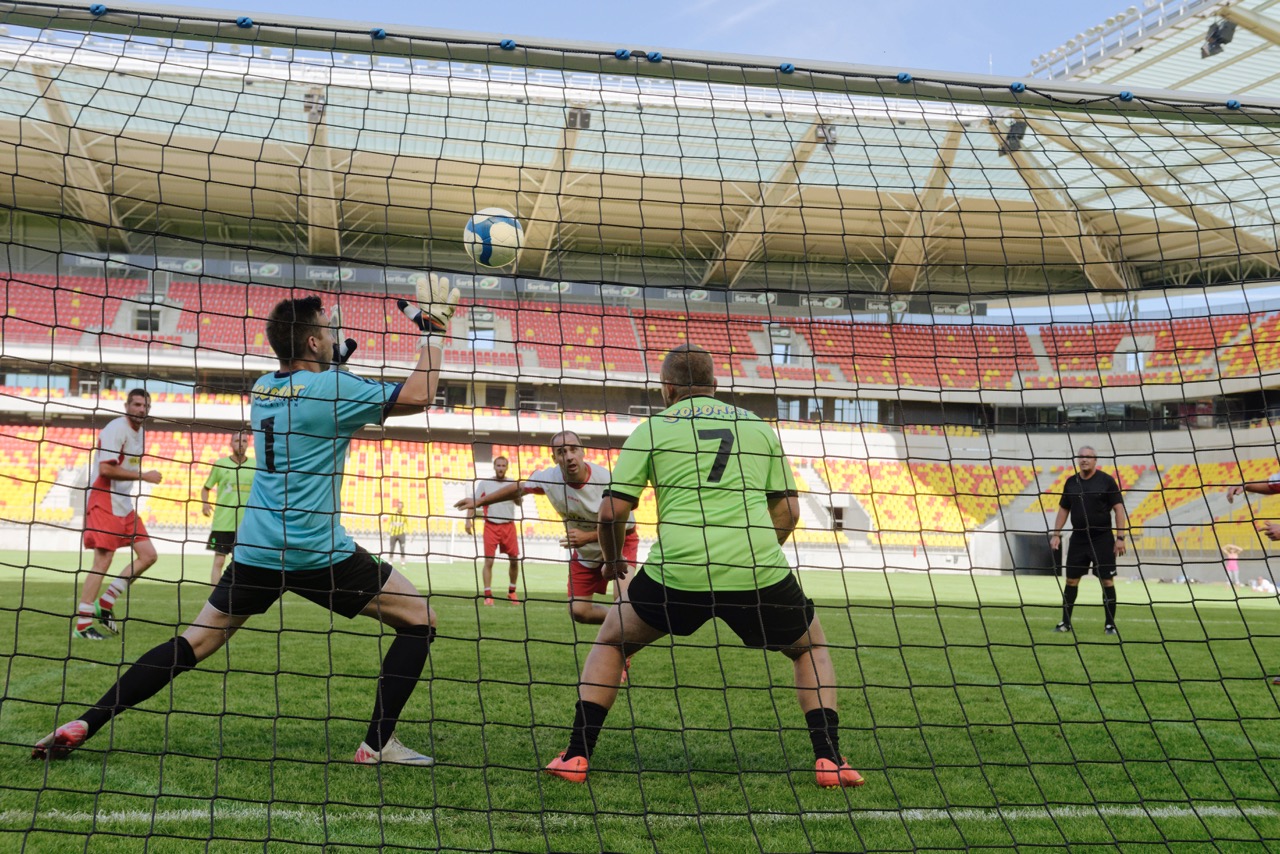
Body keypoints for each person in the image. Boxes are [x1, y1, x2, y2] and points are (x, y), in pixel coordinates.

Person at [34, 275, 459, 765]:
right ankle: (377, 744)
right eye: (326, 328)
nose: (332, 331)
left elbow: (311, 394)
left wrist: (332, 364)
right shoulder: (331, 387)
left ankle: (88, 720)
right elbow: (422, 394)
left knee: (195, 641)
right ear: (315, 342)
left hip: (256, 547)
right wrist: (432, 331)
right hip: (314, 549)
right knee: (420, 620)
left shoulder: (264, 387)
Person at [542, 344, 864, 789]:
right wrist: (750, 551)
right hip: (757, 570)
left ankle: (576, 756)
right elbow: (789, 512)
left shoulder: (651, 429)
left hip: (677, 571)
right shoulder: (756, 427)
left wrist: (614, 560)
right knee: (810, 648)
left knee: (611, 642)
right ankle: (829, 760)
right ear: (716, 386)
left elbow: (611, 514)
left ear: (667, 389)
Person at [456, 432, 637, 625]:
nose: (568, 456)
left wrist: (587, 536)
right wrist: (480, 501)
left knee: (622, 601)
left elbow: (625, 528)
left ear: (582, 451)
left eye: (573, 449)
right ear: (555, 458)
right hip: (586, 553)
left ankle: (622, 631)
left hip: (619, 545)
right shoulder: (550, 478)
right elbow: (519, 488)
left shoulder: (605, 479)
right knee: (579, 611)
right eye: (561, 452)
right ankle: (623, 622)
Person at [76, 388, 162, 640]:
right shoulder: (116, 429)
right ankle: (82, 625)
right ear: (126, 406)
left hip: (123, 503)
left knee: (148, 555)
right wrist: (143, 476)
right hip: (104, 498)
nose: (140, 409)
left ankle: (107, 600)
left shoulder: (142, 433)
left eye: (145, 405)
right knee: (102, 561)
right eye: (136, 404)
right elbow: (105, 470)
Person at [1049, 446, 1129, 637]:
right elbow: (1063, 509)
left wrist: (1120, 537)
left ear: (1095, 460)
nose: (1084, 460)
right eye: (1081, 457)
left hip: (1102, 539)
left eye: (1088, 457)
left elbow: (1118, 509)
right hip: (1078, 539)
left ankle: (1110, 625)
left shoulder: (1106, 481)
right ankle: (1065, 623)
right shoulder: (1071, 483)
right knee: (1071, 580)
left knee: (1107, 581)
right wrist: (1056, 534)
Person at [463, 455, 523, 605]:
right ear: (494, 467)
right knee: (489, 561)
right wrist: (468, 521)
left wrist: (515, 492)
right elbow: (474, 503)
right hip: (490, 525)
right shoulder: (485, 484)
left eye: (503, 466)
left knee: (514, 560)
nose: (501, 468)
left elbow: (519, 503)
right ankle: (488, 595)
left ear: (507, 467)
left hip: (508, 526)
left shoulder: (512, 484)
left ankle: (512, 592)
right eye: (498, 465)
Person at [200, 429, 256, 586]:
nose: (241, 444)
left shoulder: (255, 465)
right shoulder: (220, 464)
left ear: (248, 444)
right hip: (223, 522)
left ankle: (240, 595)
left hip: (246, 524)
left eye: (244, 441)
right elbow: (206, 488)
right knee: (219, 561)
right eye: (237, 441)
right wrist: (205, 503)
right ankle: (214, 597)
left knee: (245, 564)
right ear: (231, 443)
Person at [383, 498, 408, 572]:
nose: (400, 507)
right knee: (392, 548)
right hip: (393, 534)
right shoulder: (392, 514)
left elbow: (408, 524)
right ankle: (390, 561)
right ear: (397, 506)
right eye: (399, 506)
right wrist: (385, 532)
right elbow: (388, 523)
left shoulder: (404, 515)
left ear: (402, 507)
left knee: (402, 549)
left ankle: (402, 562)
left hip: (401, 534)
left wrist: (410, 533)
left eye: (401, 506)